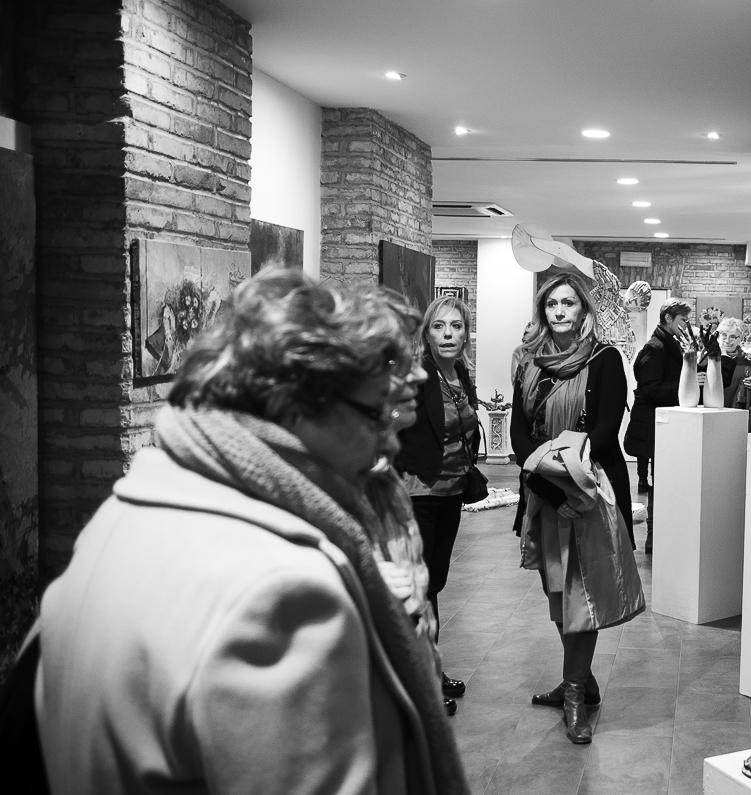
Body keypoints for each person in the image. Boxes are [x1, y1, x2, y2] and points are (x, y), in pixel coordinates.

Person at [32, 269, 469, 793]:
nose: (391, 439)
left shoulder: (131, 506)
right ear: (293, 405)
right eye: (376, 411)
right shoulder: (283, 591)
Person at [510, 272, 644, 744]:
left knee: (581, 597)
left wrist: (572, 483)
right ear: (542, 312)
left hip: (591, 491)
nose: (560, 311)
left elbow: (605, 432)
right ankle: (582, 681)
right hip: (544, 493)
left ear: (584, 310)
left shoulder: (605, 359)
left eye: (568, 303)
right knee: (557, 593)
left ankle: (573, 697)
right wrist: (550, 487)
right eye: (552, 304)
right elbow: (519, 434)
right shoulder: (529, 363)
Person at [395, 294, 480, 715]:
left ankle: (431, 667)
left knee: (435, 585)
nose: (448, 335)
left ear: (466, 334)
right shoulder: (417, 376)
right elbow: (393, 431)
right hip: (419, 494)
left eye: (456, 326)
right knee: (420, 588)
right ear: (426, 333)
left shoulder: (460, 373)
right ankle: (420, 683)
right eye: (439, 326)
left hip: (450, 493)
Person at [623, 297, 694, 554]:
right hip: (654, 426)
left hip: (660, 425)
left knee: (662, 479)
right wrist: (687, 383)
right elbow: (650, 389)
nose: (686, 325)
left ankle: (660, 532)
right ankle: (654, 535)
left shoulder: (666, 344)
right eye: (683, 319)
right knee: (660, 480)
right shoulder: (656, 347)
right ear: (668, 318)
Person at [716, 317, 751, 426]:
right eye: (724, 335)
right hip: (714, 412)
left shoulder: (748, 362)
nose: (727, 340)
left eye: (733, 336)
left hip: (738, 415)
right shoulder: (711, 359)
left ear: (740, 338)